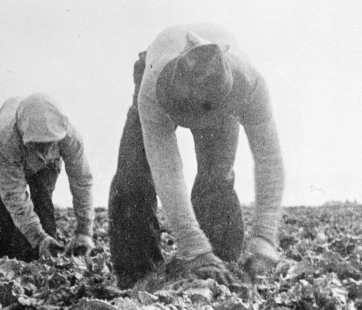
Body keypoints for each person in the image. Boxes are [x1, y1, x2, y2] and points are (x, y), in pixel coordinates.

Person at [108, 24, 285, 289]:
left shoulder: (249, 85)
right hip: (157, 72)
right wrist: (193, 244)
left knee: (216, 178)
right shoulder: (154, 87)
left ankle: (220, 271)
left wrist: (265, 237)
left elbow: (269, 159)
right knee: (132, 177)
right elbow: (167, 169)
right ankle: (140, 277)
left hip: (219, 90)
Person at [0, 94, 95, 261]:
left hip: (47, 166)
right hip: (6, 158)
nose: (43, 153)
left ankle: (46, 261)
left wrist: (85, 232)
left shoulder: (69, 136)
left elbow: (82, 182)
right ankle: (4, 263)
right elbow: (14, 196)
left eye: (49, 143)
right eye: (39, 145)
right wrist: (37, 237)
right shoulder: (4, 141)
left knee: (43, 207)